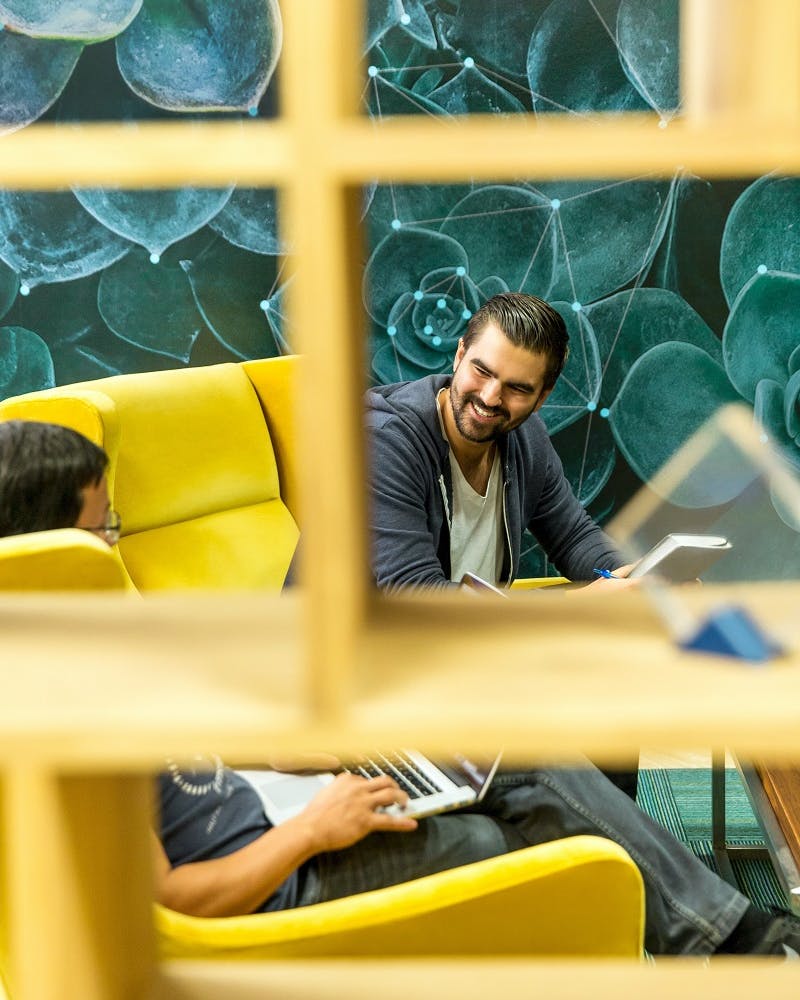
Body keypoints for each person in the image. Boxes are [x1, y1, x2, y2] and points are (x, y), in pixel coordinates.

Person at [4, 419, 800, 956]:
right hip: (275, 882)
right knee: (506, 820)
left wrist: (305, 755)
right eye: (101, 529)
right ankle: (725, 940)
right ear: (43, 543)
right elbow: (175, 902)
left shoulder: (80, 644)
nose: (113, 544)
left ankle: (715, 934)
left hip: (287, 818)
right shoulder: (51, 704)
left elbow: (182, 756)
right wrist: (315, 830)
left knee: (505, 764)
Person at [366, 292, 639, 795]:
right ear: (458, 355)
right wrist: (578, 609)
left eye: (517, 388)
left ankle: (609, 859)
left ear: (544, 394)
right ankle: (603, 847)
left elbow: (575, 536)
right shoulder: (383, 442)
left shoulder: (524, 438)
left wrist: (632, 582)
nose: (491, 398)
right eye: (481, 371)